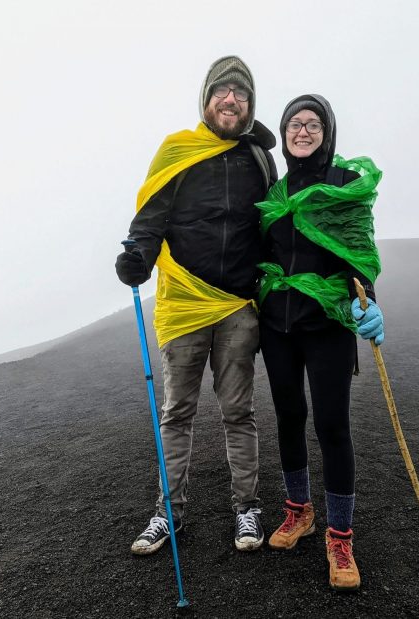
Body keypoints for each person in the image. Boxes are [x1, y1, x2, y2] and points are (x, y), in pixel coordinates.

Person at [115, 56, 277, 555]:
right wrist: (138, 254)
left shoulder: (259, 160)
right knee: (177, 411)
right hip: (184, 302)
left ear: (250, 105)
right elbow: (152, 214)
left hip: (235, 306)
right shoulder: (177, 151)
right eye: (222, 91)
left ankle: (246, 509)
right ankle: (170, 512)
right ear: (206, 100)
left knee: (238, 411)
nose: (231, 99)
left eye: (241, 94)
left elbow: (272, 225)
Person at [255, 94, 384, 591]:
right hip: (278, 326)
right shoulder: (277, 190)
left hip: (327, 325)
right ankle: (298, 512)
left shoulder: (344, 184)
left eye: (313, 124)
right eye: (294, 123)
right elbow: (265, 252)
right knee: (289, 417)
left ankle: (340, 535)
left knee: (332, 426)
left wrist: (367, 301)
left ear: (327, 132)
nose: (302, 131)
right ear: (285, 133)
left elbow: (358, 250)